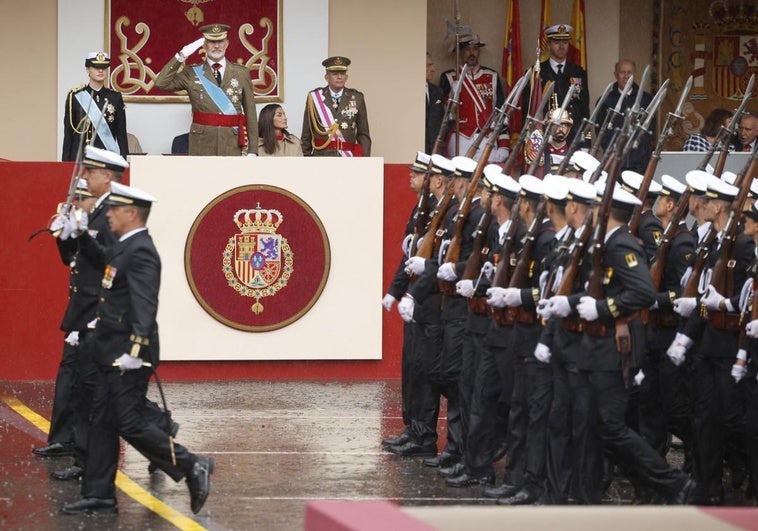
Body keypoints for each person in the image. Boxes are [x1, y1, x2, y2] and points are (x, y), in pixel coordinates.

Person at [61, 181, 214, 515]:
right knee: (102, 421)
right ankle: (99, 493)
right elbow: (105, 266)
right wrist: (81, 236)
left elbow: (145, 304)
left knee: (129, 423)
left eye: (115, 209)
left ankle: (193, 464)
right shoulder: (124, 246)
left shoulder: (142, 250)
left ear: (132, 213)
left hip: (127, 352)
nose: (109, 214)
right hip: (109, 347)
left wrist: (136, 348)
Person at [32, 180, 97, 459]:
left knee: (113, 386)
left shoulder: (105, 223)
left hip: (99, 314)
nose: (76, 202)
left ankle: (161, 437)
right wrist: (63, 236)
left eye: (82, 197)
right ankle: (63, 439)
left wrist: (79, 233)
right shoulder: (80, 222)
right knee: (69, 375)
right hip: (79, 313)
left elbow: (101, 263)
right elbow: (71, 260)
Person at [155, 23, 259, 156]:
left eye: (220, 41)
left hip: (231, 144)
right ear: (204, 45)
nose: (216, 46)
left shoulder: (241, 73)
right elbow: (161, 83)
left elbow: (250, 112)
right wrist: (181, 56)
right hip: (201, 144)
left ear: (227, 43)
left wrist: (253, 150)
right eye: (211, 41)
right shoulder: (191, 72)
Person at [439, 34, 508, 162]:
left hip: (487, 138)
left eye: (475, 49)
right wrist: (451, 97)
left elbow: (501, 113)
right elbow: (443, 114)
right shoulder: (449, 77)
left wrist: (504, 143)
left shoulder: (491, 76)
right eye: (467, 49)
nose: (472, 53)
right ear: (460, 52)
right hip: (460, 138)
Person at [62, 52, 129, 161]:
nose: (100, 70)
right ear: (87, 69)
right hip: (80, 159)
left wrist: (124, 162)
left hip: (106, 159)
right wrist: (65, 165)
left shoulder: (115, 98)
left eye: (104, 67)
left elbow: (121, 135)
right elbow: (68, 135)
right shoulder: (75, 96)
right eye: (96, 67)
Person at [301, 56, 371, 157]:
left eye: (342, 73)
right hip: (321, 158)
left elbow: (363, 134)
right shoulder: (314, 97)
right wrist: (306, 158)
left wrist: (365, 160)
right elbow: (306, 134)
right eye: (335, 73)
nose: (339, 77)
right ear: (326, 77)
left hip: (348, 158)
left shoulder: (357, 97)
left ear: (346, 77)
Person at [594, 60, 653, 172]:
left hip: (639, 164)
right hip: (612, 161)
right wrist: (609, 149)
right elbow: (599, 129)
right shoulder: (605, 100)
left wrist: (641, 151)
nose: (626, 76)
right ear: (615, 74)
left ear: (634, 74)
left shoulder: (646, 99)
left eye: (629, 72)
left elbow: (650, 130)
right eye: (622, 72)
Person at [536, 25, 590, 144]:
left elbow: (584, 109)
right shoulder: (538, 72)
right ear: (549, 44)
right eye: (556, 42)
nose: (561, 46)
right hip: (545, 135)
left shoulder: (578, 72)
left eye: (565, 42)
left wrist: (586, 141)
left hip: (572, 136)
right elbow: (530, 109)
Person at [426, 53, 445, 154]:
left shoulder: (437, 92)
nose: (433, 69)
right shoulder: (411, 91)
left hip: (435, 149)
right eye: (428, 65)